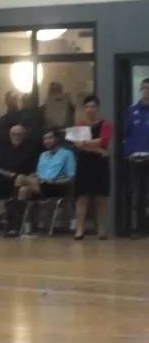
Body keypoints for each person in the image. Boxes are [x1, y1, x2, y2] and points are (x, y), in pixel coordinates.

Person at [72, 95, 112, 239]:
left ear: (97, 108)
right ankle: (80, 229)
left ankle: (101, 229)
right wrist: (97, 149)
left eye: (93, 106)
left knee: (100, 197)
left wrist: (86, 143)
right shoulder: (79, 124)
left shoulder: (106, 123)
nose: (90, 109)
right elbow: (77, 144)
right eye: (87, 106)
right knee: (82, 197)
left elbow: (103, 140)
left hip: (100, 164)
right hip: (84, 163)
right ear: (84, 108)